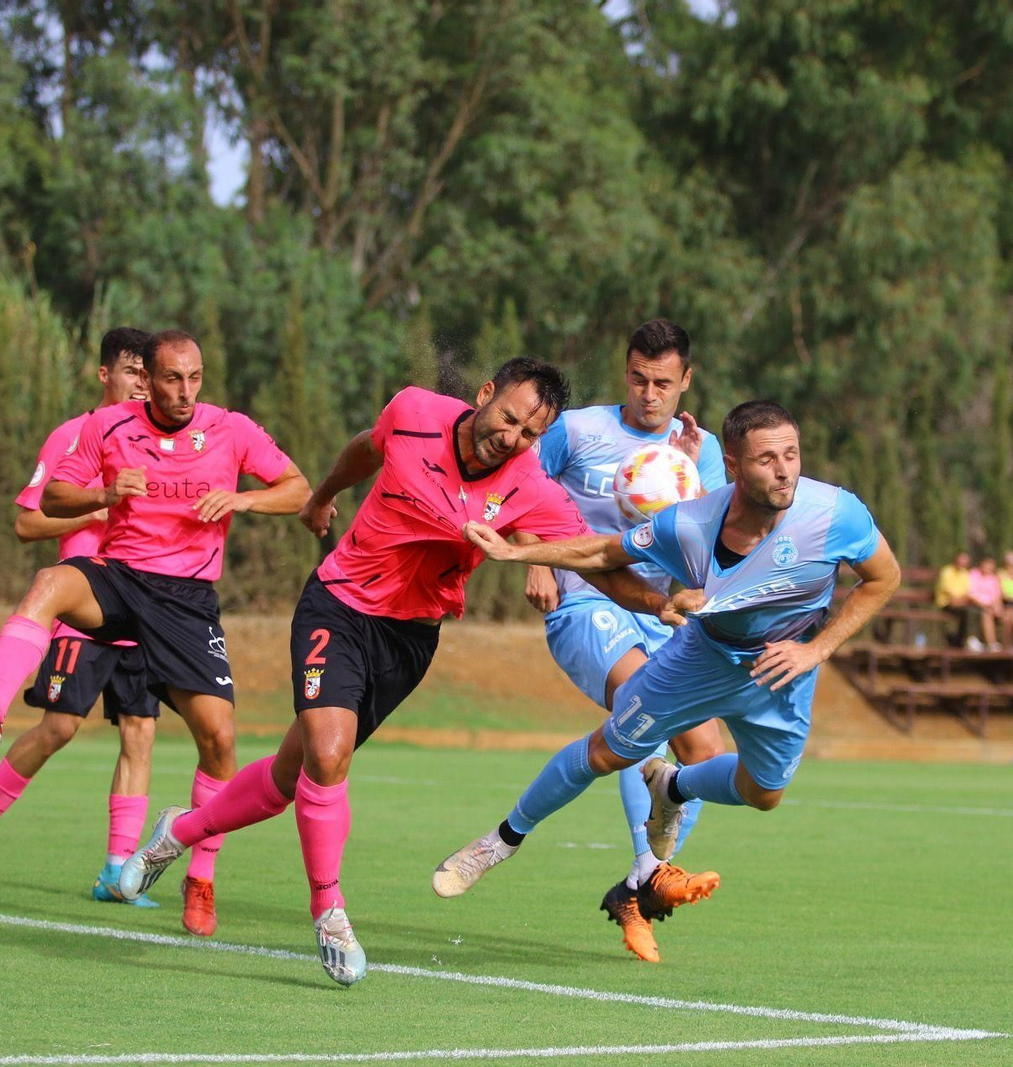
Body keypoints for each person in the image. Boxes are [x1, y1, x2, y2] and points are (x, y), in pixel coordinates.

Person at [117, 359, 667, 987]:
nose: (512, 438)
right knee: (329, 756)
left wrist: (660, 601)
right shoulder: (413, 413)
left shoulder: (530, 488)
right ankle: (329, 911)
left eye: (529, 433)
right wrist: (324, 493)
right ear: (484, 396)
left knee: (290, 775)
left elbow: (594, 556)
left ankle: (175, 831)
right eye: (509, 418)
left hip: (411, 638)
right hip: (339, 604)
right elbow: (366, 449)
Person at [431, 401, 901, 932]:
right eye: (767, 458)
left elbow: (883, 578)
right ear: (734, 465)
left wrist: (817, 650)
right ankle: (500, 842)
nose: (784, 469)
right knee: (607, 751)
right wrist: (518, 555)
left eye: (791, 454)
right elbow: (605, 555)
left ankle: (673, 788)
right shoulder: (690, 524)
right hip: (700, 659)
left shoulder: (837, 513)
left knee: (764, 795)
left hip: (783, 671)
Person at [0, 331, 309, 936]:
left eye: (193, 377)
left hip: (185, 604)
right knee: (53, 670)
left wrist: (239, 501)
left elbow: (296, 488)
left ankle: (176, 874)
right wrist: (103, 497)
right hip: (116, 580)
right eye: (162, 377)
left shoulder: (229, 428)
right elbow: (42, 507)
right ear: (125, 377)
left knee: (201, 738)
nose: (180, 389)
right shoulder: (99, 429)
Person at [524, 320, 728, 963]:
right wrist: (534, 555)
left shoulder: (705, 448)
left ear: (686, 381)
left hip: (664, 614)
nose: (649, 393)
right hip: (588, 600)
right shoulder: (579, 430)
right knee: (645, 709)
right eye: (638, 378)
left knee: (702, 753)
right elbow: (514, 486)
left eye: (663, 382)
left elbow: (714, 546)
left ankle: (637, 890)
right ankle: (651, 866)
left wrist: (694, 476)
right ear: (625, 371)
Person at [0, 329, 167, 913]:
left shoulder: (160, 439)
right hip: (84, 600)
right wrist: (100, 500)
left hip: (145, 604)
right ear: (103, 374)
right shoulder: (75, 434)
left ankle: (117, 871)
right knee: (59, 728)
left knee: (140, 735)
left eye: (148, 374)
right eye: (129, 372)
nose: (140, 384)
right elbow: (27, 522)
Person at [934, 551, 981, 650]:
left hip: (961, 604)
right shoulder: (946, 571)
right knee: (967, 612)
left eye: (965, 560)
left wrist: (959, 600)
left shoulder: (965, 574)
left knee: (974, 612)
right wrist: (958, 600)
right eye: (961, 559)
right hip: (946, 603)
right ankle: (962, 641)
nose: (962, 562)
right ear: (956, 559)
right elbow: (949, 594)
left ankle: (964, 640)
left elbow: (967, 593)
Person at [968, 556, 1003, 649]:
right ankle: (992, 643)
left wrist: (998, 607)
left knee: (1006, 615)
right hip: (976, 604)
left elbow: (997, 595)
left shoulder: (993, 578)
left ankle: (1008, 644)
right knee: (986, 614)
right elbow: (971, 594)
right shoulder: (974, 574)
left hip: (991, 605)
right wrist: (984, 605)